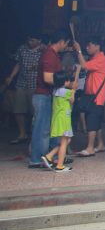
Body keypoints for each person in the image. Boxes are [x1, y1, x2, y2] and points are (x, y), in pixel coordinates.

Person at [29, 30, 68, 169]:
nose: (65, 47)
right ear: (61, 41)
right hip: (43, 95)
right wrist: (65, 83)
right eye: (65, 44)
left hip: (46, 95)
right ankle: (37, 159)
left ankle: (50, 157)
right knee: (42, 130)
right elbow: (47, 77)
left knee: (47, 129)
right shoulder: (49, 56)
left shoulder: (52, 55)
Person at [73, 37, 105, 156]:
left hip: (96, 96)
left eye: (90, 45)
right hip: (92, 95)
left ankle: (90, 148)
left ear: (97, 46)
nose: (87, 48)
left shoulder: (101, 59)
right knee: (96, 121)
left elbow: (83, 66)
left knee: (92, 121)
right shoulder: (95, 58)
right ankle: (100, 144)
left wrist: (78, 51)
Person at [5, 34, 44, 144]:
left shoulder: (44, 50)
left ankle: (34, 134)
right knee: (18, 109)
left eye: (33, 40)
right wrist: (11, 77)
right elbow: (18, 64)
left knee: (34, 112)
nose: (30, 42)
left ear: (39, 40)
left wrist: (37, 67)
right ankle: (22, 134)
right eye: (29, 40)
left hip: (36, 85)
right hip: (21, 83)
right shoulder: (22, 49)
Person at [41, 71, 75, 172]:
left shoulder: (55, 91)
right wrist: (73, 92)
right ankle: (60, 165)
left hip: (58, 120)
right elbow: (72, 101)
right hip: (64, 120)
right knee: (65, 141)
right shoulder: (66, 92)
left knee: (66, 141)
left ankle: (49, 156)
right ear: (65, 82)